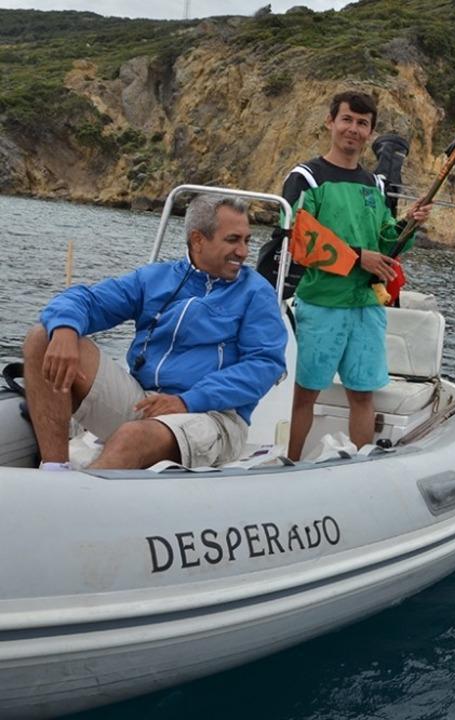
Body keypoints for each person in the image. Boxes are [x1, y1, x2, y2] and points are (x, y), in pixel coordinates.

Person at [22, 194, 287, 470]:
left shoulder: (256, 292)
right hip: (144, 400)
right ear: (198, 240)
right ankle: (55, 470)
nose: (243, 252)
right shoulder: (155, 278)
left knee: (131, 437)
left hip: (213, 415)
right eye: (233, 240)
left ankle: (77, 495)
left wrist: (188, 400)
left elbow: (264, 365)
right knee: (42, 337)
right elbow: (88, 300)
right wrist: (65, 328)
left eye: (247, 241)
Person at [272, 90, 432, 460]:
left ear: (370, 132)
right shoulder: (305, 177)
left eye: (362, 123)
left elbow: (386, 241)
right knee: (304, 394)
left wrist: (408, 224)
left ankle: (361, 466)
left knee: (363, 395)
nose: (353, 129)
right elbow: (298, 236)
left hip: (365, 307)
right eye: (347, 119)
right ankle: (288, 463)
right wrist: (359, 258)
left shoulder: (375, 185)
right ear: (330, 122)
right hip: (320, 305)